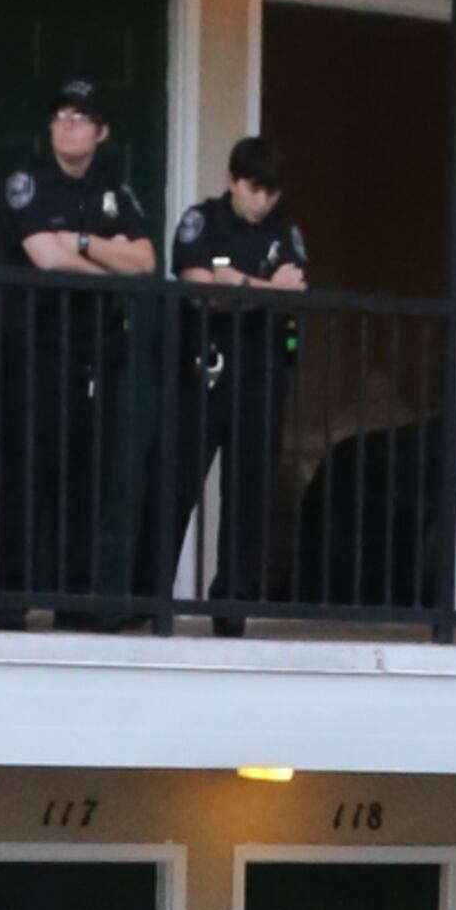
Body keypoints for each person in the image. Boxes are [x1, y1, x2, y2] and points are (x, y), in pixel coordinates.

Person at [0, 76, 159, 611]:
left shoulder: (112, 190)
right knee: (27, 473)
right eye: (60, 114)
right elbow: (45, 256)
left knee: (83, 476)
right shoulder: (27, 181)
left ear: (101, 132)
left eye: (79, 116)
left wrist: (82, 242)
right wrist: (109, 261)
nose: (65, 123)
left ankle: (73, 599)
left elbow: (146, 262)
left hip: (90, 353)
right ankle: (11, 603)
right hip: (32, 349)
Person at [167, 131, 312, 625]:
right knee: (176, 485)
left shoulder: (285, 232)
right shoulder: (201, 221)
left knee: (248, 496)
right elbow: (200, 290)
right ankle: (150, 600)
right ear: (233, 180)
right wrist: (265, 289)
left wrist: (238, 284)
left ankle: (230, 605)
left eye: (272, 191)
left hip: (261, 377)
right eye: (255, 188)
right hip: (202, 375)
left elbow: (293, 293)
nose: (263, 200)